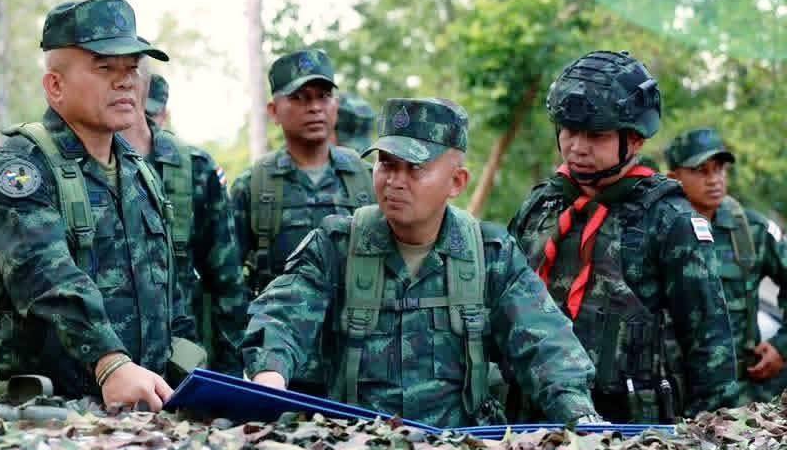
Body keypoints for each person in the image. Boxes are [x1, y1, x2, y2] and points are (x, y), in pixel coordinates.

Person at [243, 98, 601, 427]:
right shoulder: (336, 246)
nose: (395, 182)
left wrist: (580, 415)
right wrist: (269, 376)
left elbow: (546, 343)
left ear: (456, 182)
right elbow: (282, 314)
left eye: (414, 168)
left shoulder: (490, 254)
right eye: (386, 164)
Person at [0, 0, 195, 409]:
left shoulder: (139, 171)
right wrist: (110, 364)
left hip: (145, 412)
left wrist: (192, 382)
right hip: (52, 417)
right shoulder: (21, 170)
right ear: (55, 86)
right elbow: (47, 278)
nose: (125, 82)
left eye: (132, 68)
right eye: (105, 68)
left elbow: (171, 298)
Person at [509, 50, 738, 422]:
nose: (576, 147)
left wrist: (707, 437)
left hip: (631, 434)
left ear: (634, 139)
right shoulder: (541, 207)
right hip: (531, 425)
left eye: (596, 135)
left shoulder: (669, 219)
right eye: (569, 130)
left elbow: (711, 347)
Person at [232, 49, 374, 393]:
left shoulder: (368, 180)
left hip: (359, 364)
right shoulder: (254, 186)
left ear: (336, 105)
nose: (314, 107)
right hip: (280, 368)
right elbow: (227, 285)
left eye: (323, 96)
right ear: (273, 111)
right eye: (299, 97)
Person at [123, 73, 247, 376]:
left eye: (150, 112)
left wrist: (230, 373)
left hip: (179, 361)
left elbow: (227, 281)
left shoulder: (194, 168)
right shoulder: (71, 165)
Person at [665, 127, 787, 404]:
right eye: (701, 171)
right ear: (673, 178)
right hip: (673, 397)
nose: (714, 180)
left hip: (739, 398)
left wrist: (782, 347)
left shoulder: (752, 231)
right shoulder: (658, 231)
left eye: (719, 169)